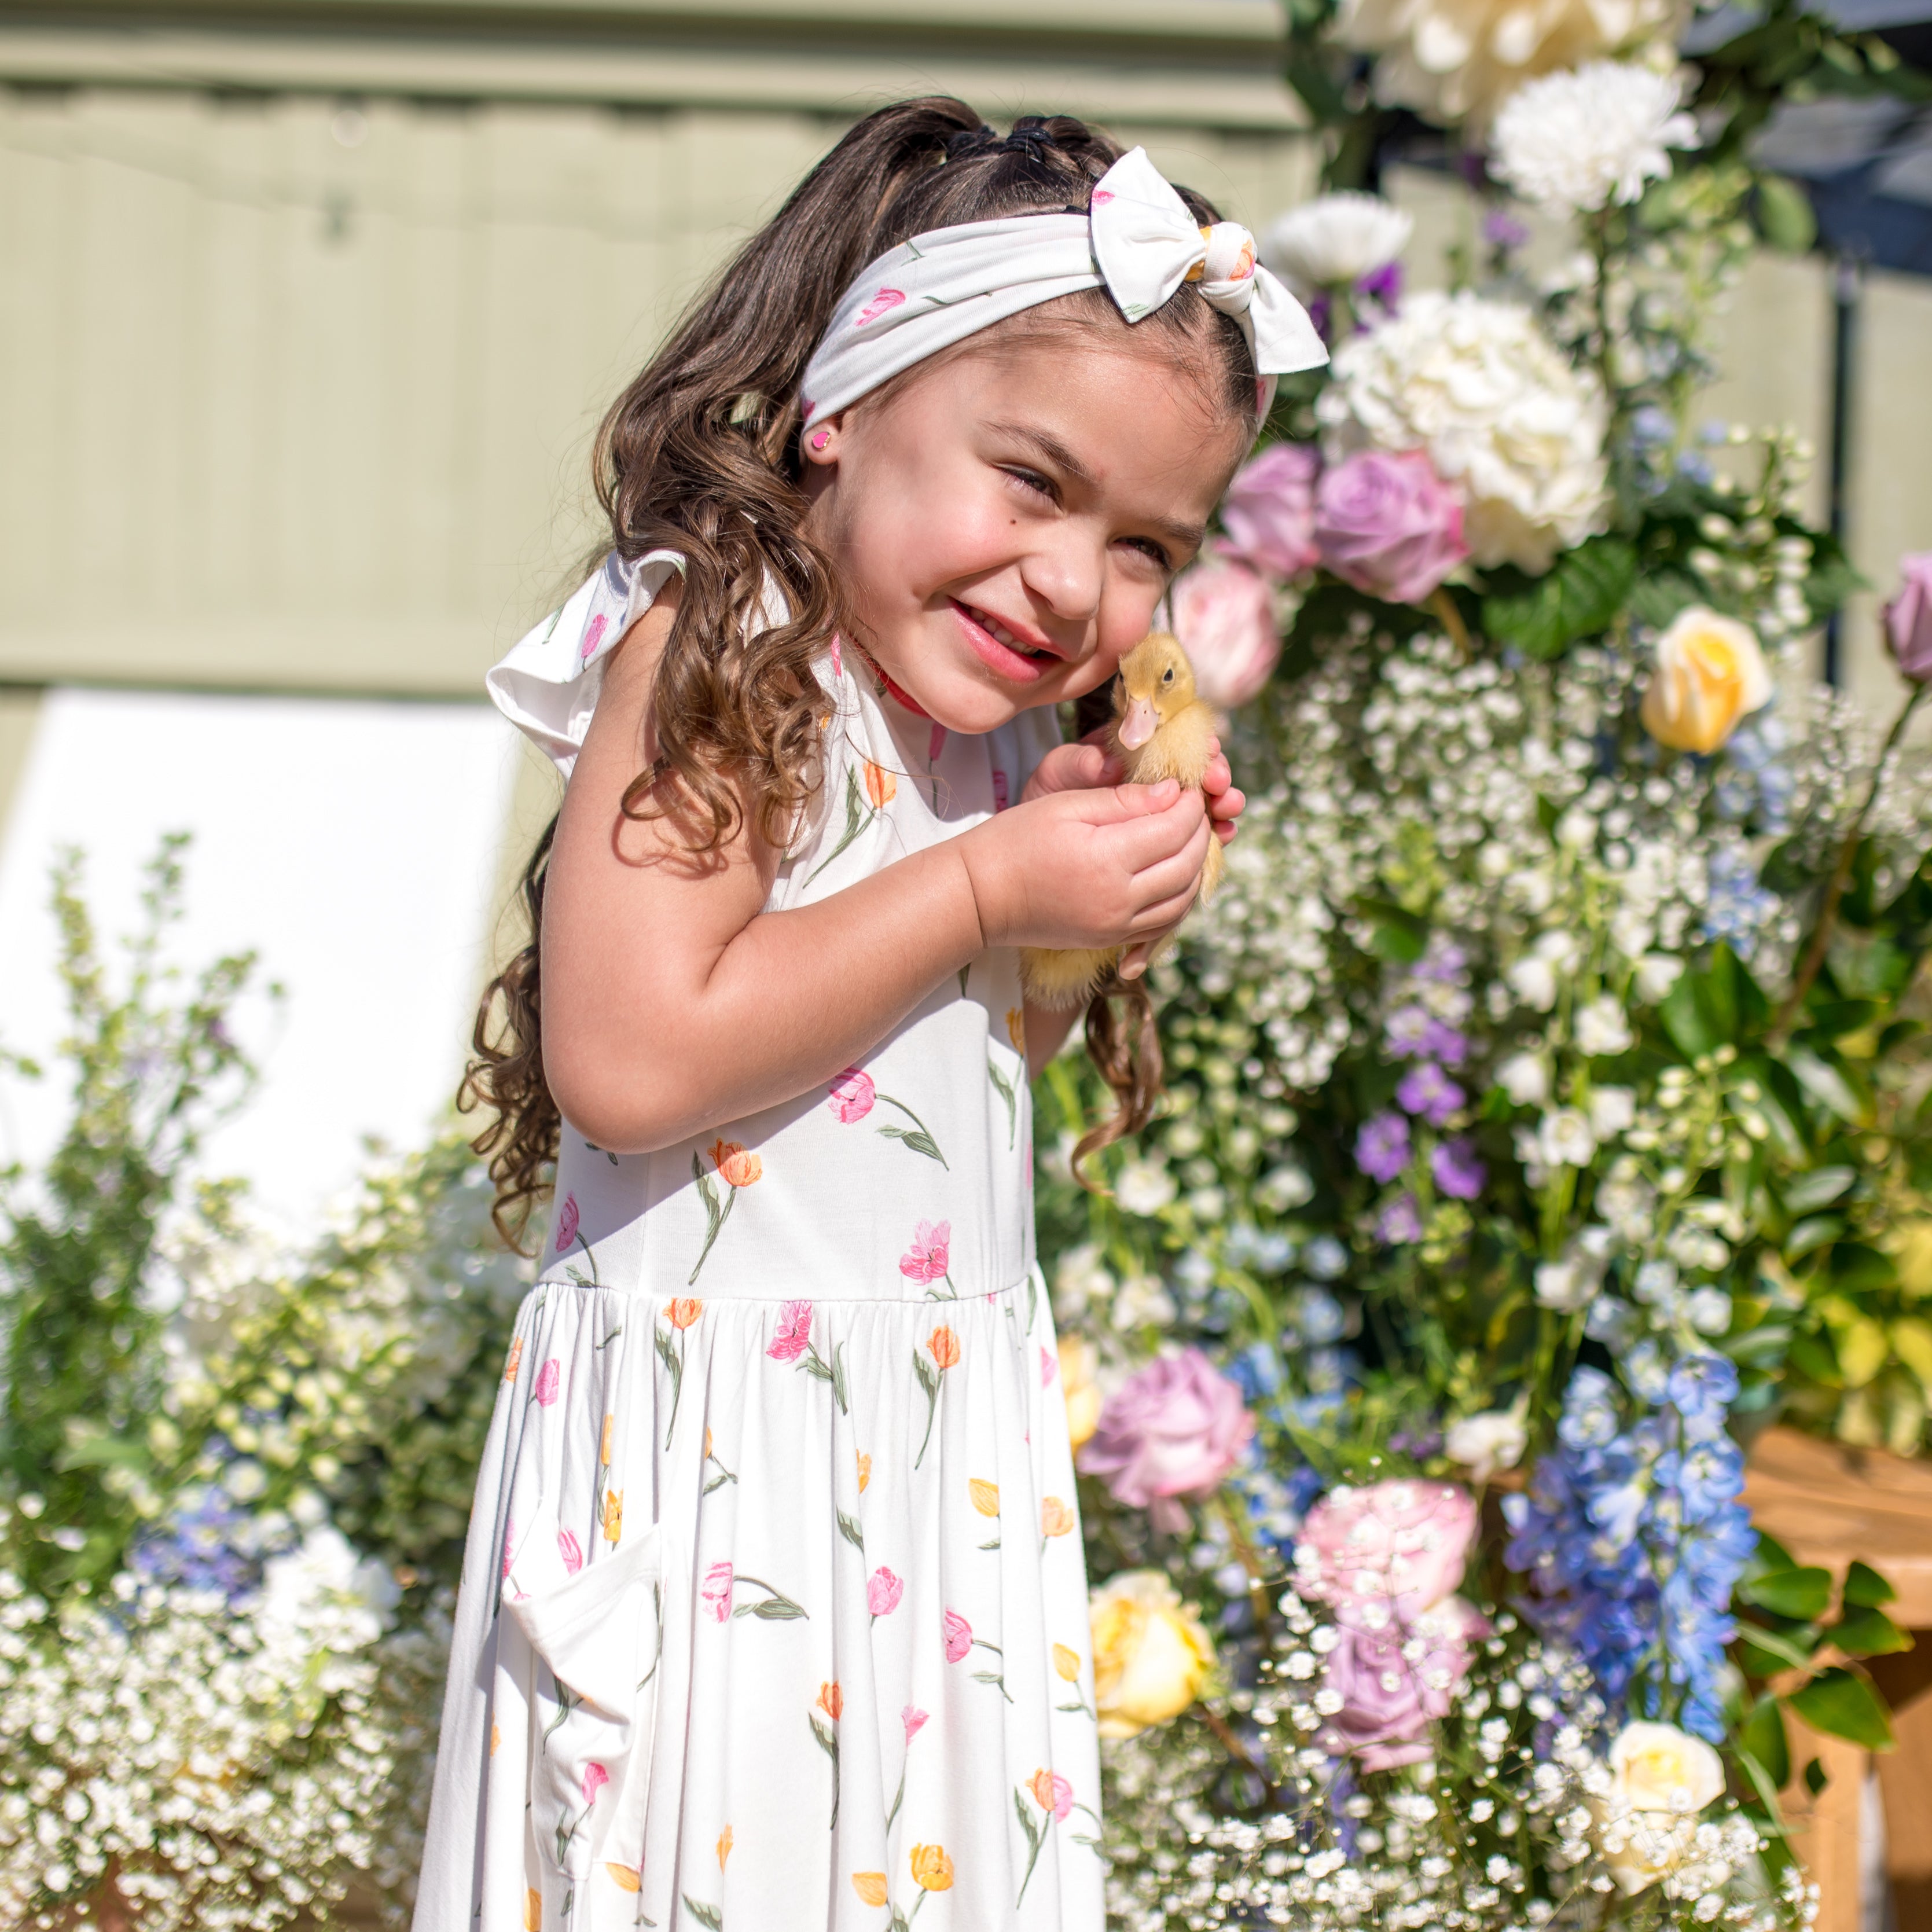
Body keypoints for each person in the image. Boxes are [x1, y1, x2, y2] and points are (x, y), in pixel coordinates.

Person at [416, 98, 1324, 1932]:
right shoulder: (727, 647)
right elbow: (632, 1055)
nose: (1079, 583)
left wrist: (1089, 911)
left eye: (1151, 543)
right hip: (723, 1480)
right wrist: (990, 888)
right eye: (1034, 480)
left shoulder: (990, 735)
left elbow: (954, 1074)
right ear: (847, 405)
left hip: (920, 1471)